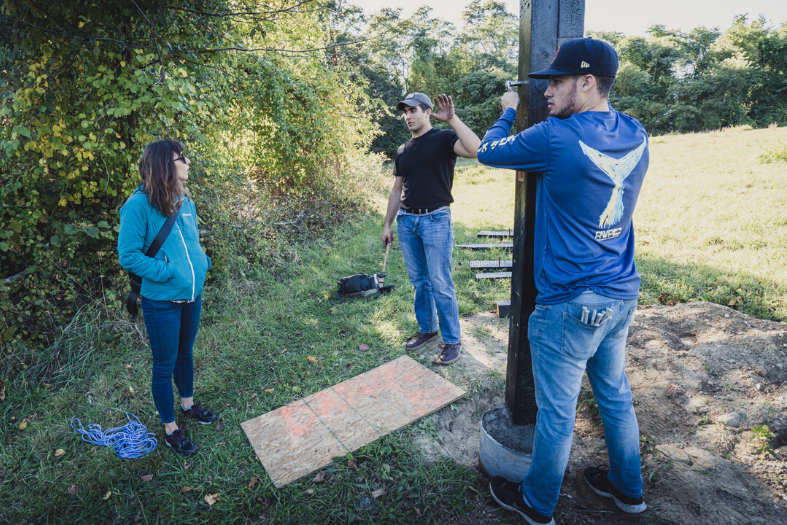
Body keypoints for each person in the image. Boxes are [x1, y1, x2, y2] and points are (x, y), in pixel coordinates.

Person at [477, 38, 649, 525]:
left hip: (570, 302)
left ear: (588, 81)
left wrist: (508, 112)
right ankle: (627, 491)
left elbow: (488, 153)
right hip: (621, 293)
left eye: (556, 82)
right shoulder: (637, 134)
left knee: (557, 413)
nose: (546, 92)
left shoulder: (555, 136)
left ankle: (536, 505)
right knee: (615, 396)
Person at [118, 139, 217, 457]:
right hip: (161, 302)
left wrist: (202, 263)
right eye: (181, 158)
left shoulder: (186, 201)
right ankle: (171, 428)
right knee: (163, 365)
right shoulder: (137, 206)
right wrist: (168, 272)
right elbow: (129, 256)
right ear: (164, 165)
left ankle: (188, 406)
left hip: (192, 296)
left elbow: (192, 244)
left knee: (185, 354)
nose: (187, 162)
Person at [381, 93, 481, 365]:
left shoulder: (443, 139)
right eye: (405, 112)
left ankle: (452, 340)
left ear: (427, 112)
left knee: (440, 281)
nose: (408, 116)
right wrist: (388, 224)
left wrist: (452, 119)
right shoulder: (402, 150)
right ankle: (427, 329)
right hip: (406, 221)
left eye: (414, 110)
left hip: (435, 220)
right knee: (419, 282)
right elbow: (396, 189)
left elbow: (476, 149)